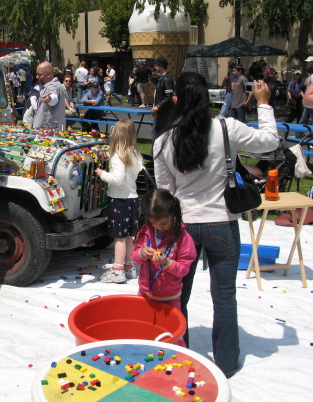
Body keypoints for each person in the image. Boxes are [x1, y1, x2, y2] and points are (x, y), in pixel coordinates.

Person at [154, 71, 279, 378]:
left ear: (176, 99)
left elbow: (165, 192)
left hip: (184, 227)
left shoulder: (163, 142)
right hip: (222, 222)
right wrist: (263, 104)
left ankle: (176, 350)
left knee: (178, 293)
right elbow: (270, 142)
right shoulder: (226, 128)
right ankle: (226, 361)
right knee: (224, 296)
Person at [130, 189, 196, 330]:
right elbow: (134, 256)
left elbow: (184, 269)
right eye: (154, 223)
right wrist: (142, 253)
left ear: (174, 215)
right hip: (145, 294)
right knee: (144, 330)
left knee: (172, 332)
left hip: (170, 298)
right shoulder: (146, 231)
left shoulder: (183, 238)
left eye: (164, 223)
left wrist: (167, 263)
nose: (159, 227)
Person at [95, 120, 143, 283]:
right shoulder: (134, 154)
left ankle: (117, 269)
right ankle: (130, 266)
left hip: (120, 201)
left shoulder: (118, 157)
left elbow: (117, 179)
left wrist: (102, 174)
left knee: (119, 237)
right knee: (129, 235)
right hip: (133, 199)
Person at [32, 62, 66, 131]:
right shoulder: (48, 86)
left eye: (39, 74)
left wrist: (50, 98)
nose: (37, 77)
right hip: (45, 130)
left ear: (48, 74)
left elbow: (54, 97)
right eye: (36, 74)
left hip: (49, 132)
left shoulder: (53, 86)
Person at [151, 56, 174, 141]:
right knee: (156, 134)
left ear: (160, 66)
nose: (155, 67)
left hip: (164, 113)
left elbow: (169, 96)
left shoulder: (166, 79)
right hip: (160, 112)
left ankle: (157, 152)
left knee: (158, 135)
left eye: (156, 65)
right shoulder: (161, 78)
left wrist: (158, 106)